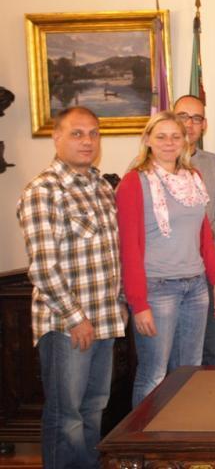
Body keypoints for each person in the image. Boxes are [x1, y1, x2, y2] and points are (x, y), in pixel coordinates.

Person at [17, 107, 127, 469]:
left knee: (94, 409)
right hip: (67, 326)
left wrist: (120, 303)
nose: (87, 141)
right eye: (77, 133)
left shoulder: (101, 187)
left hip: (104, 320)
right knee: (66, 417)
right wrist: (76, 318)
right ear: (56, 137)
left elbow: (112, 253)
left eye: (93, 133)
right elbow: (43, 268)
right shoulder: (43, 190)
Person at [117, 111, 215, 406]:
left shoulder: (194, 178)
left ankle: (182, 429)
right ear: (147, 140)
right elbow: (129, 248)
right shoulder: (134, 182)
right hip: (157, 289)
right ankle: (144, 434)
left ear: (185, 141)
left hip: (196, 287)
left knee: (190, 372)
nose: (169, 143)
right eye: (161, 136)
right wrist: (138, 304)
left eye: (175, 136)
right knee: (153, 374)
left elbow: (204, 235)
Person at [173, 94, 215, 366]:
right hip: (166, 273)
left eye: (196, 118)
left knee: (208, 350)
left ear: (204, 125)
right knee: (168, 354)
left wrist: (206, 234)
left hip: (208, 269)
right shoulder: (148, 166)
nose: (189, 124)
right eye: (183, 116)